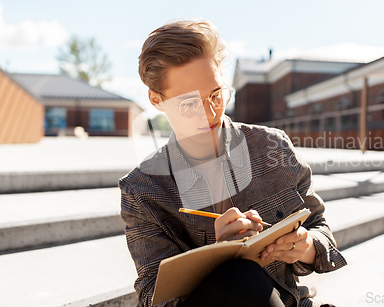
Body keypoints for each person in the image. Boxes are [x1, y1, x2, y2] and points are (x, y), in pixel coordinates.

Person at [119, 19, 347, 307]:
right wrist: (219, 257)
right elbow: (153, 296)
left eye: (216, 95)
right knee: (240, 276)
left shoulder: (272, 147)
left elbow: (320, 230)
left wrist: (305, 247)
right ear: (157, 100)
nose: (210, 113)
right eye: (189, 104)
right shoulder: (143, 190)